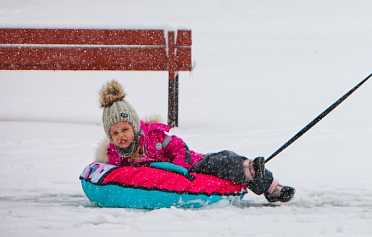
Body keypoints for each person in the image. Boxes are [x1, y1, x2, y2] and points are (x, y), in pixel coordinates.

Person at [98, 80, 295, 203]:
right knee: (226, 169)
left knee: (224, 160)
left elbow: (178, 146)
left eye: (125, 129)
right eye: (115, 133)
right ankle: (255, 176)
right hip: (174, 176)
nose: (121, 136)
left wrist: (180, 168)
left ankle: (270, 186)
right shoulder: (114, 155)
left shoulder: (153, 136)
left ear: (135, 126)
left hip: (192, 163)